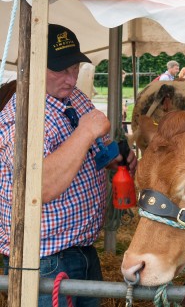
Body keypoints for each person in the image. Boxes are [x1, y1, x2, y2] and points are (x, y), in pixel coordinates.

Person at [0, 24, 137, 307]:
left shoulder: (73, 97)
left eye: (74, 68)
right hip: (42, 258)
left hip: (83, 248)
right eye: (60, 70)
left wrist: (113, 158)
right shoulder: (23, 118)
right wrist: (85, 133)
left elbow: (92, 152)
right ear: (33, 65)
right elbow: (41, 187)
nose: (71, 78)